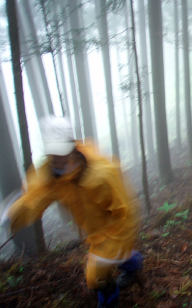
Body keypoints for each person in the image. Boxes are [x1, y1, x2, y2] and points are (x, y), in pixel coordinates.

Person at [1, 116, 143, 308]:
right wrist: (13, 213)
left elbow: (125, 213)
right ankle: (133, 262)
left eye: (62, 152)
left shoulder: (99, 174)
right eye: (53, 153)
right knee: (117, 257)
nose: (58, 159)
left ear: (72, 146)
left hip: (113, 230)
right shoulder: (50, 174)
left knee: (96, 275)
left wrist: (115, 245)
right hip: (93, 231)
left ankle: (109, 301)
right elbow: (35, 197)